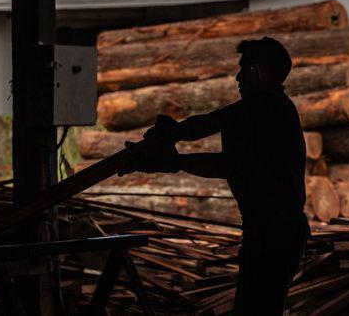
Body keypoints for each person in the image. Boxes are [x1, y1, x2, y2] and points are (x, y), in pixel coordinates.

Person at [122, 37, 309, 315]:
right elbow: (211, 132)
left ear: (257, 71)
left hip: (275, 234)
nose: (238, 77)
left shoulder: (266, 108)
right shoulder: (266, 109)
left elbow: (224, 157)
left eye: (243, 69)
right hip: (270, 231)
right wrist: (174, 140)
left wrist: (173, 152)